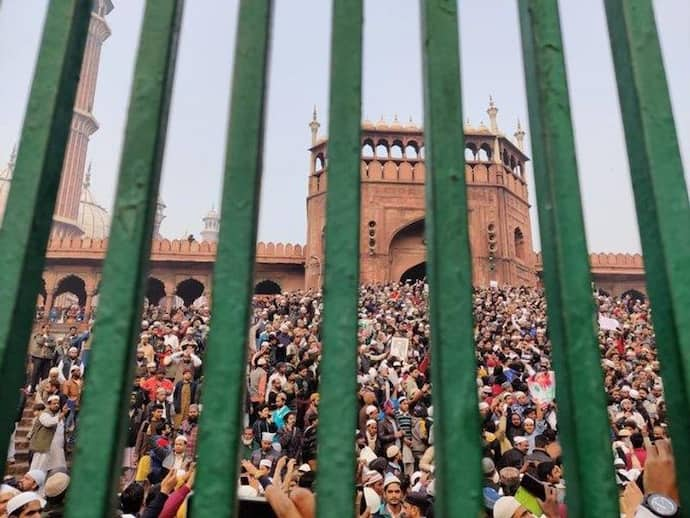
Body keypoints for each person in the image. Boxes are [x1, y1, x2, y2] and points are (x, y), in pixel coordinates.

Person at [28, 396, 67, 473]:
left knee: (48, 469)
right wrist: (62, 414)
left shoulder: (56, 415)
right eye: (54, 403)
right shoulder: (44, 414)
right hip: (42, 447)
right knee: (37, 468)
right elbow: (48, 423)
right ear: (49, 405)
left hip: (53, 448)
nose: (56, 405)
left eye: (57, 403)